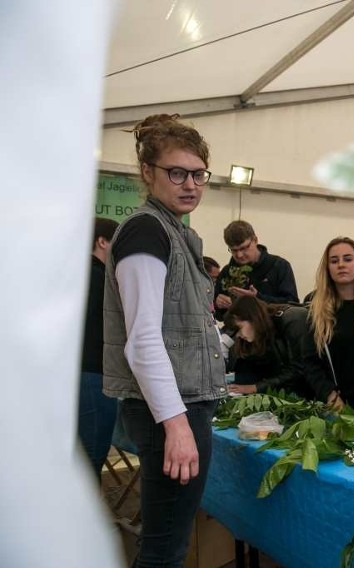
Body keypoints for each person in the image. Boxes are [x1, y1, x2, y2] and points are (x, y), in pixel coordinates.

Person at [102, 114, 227, 567]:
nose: (189, 183)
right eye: (176, 172)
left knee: (166, 543)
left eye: (198, 174)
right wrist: (176, 425)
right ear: (147, 174)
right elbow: (143, 341)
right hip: (171, 410)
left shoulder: (171, 231)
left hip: (177, 404)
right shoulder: (145, 230)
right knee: (164, 549)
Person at [308, 237, 354, 412]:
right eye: (334, 261)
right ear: (327, 267)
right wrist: (330, 395)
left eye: (348, 259)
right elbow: (310, 361)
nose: (341, 264)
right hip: (335, 405)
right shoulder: (315, 304)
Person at [79, 216, 119, 478]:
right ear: (102, 242)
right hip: (94, 375)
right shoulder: (98, 279)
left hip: (87, 374)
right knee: (91, 457)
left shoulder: (83, 276)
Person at [224, 296, 325, 399]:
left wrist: (254, 388)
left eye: (239, 328)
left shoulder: (293, 320)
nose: (238, 335)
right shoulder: (263, 331)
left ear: (252, 318)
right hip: (295, 390)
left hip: (316, 390)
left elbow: (299, 369)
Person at [213, 220, 298, 319]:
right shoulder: (226, 272)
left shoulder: (279, 266)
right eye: (233, 250)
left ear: (255, 240)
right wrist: (218, 305)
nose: (239, 255)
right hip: (236, 332)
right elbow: (219, 316)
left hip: (272, 331)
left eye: (244, 248)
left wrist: (257, 298)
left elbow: (293, 305)